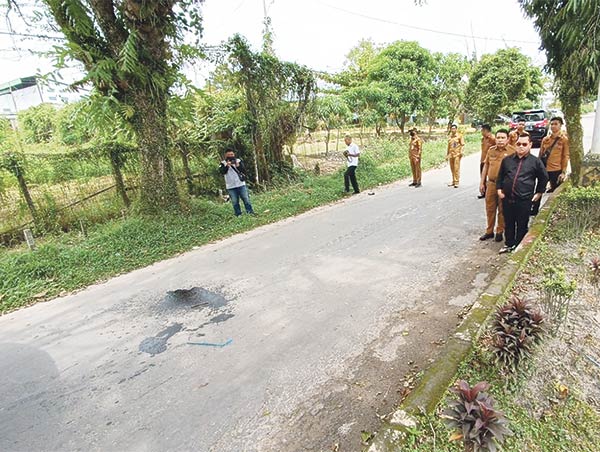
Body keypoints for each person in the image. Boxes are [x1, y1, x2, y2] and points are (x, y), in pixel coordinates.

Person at [496, 134, 548, 254]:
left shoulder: (535, 162)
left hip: (524, 200)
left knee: (522, 224)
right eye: (518, 144)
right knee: (508, 223)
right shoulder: (507, 160)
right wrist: (499, 190)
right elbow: (500, 176)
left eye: (524, 144)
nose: (521, 147)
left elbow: (543, 178)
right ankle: (509, 244)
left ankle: (519, 247)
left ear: (530, 145)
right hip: (507, 198)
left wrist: (539, 193)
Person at [479, 129, 515, 242]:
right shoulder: (491, 150)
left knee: (502, 209)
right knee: (490, 208)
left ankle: (500, 231)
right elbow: (486, 166)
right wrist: (482, 182)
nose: (500, 140)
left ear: (507, 139)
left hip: (504, 186)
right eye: (498, 138)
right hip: (491, 184)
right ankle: (489, 231)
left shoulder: (512, 151)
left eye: (503, 138)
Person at [219, 148, 255, 216]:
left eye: (232, 154)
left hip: (240, 184)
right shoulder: (223, 163)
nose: (231, 156)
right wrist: (227, 166)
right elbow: (222, 172)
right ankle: (238, 214)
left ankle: (250, 212)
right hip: (230, 186)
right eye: (229, 155)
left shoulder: (238, 160)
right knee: (235, 201)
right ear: (225, 155)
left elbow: (244, 170)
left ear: (234, 154)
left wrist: (238, 166)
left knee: (246, 199)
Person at [539, 116, 569, 191]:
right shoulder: (545, 139)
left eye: (556, 124)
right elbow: (540, 155)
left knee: (555, 191)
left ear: (560, 125)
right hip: (544, 169)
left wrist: (563, 172)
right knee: (540, 190)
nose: (553, 126)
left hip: (556, 170)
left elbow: (565, 156)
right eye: (551, 124)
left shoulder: (564, 140)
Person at [478, 124, 496, 198]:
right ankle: (484, 192)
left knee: (492, 177)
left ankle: (492, 192)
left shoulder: (493, 139)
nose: (481, 132)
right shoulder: (483, 139)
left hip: (491, 161)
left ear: (486, 130)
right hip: (483, 160)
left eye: (482, 130)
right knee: (483, 176)